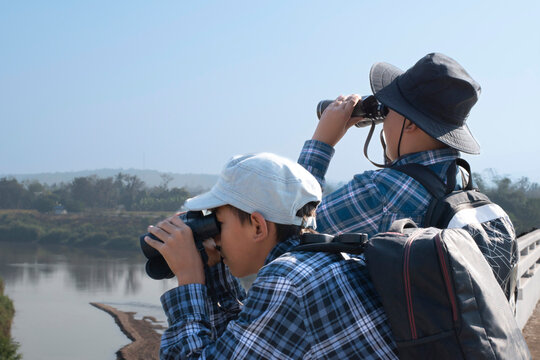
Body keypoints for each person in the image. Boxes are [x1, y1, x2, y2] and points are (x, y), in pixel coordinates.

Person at [298, 52, 517, 299]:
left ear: (410, 124)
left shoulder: (382, 193)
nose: (382, 121)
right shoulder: (460, 183)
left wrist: (321, 143)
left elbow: (289, 236)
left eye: (388, 111)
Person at [145, 152, 398, 359]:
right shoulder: (320, 262)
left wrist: (190, 280)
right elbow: (236, 344)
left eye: (218, 223)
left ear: (258, 226)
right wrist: (212, 270)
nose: (216, 237)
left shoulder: (288, 281)